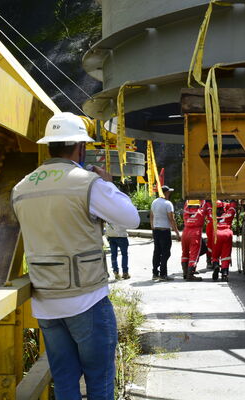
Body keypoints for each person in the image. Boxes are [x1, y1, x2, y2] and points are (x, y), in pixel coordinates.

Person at [12, 112, 140, 400]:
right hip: (86, 299)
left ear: (49, 146)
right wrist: (108, 184)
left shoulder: (20, 188)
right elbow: (130, 218)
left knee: (65, 381)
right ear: (80, 147)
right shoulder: (87, 183)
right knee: (99, 380)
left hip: (45, 301)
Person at [150, 185, 180, 281]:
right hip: (164, 231)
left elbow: (151, 215)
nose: (170, 194)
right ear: (166, 193)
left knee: (157, 252)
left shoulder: (154, 202)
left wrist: (153, 227)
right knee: (166, 253)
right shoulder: (168, 204)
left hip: (156, 230)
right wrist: (177, 233)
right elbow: (172, 219)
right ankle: (163, 274)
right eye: (169, 192)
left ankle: (155, 273)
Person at [211, 200, 236, 281]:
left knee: (215, 254)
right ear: (222, 208)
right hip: (227, 234)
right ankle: (224, 273)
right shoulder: (228, 214)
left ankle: (216, 266)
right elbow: (232, 208)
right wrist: (230, 203)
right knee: (225, 255)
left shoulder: (212, 215)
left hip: (216, 234)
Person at [180, 200, 205, 281]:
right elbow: (204, 204)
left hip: (185, 233)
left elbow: (186, 203)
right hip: (195, 234)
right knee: (194, 254)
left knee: (185, 253)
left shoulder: (186, 210)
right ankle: (190, 275)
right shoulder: (201, 211)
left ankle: (185, 272)